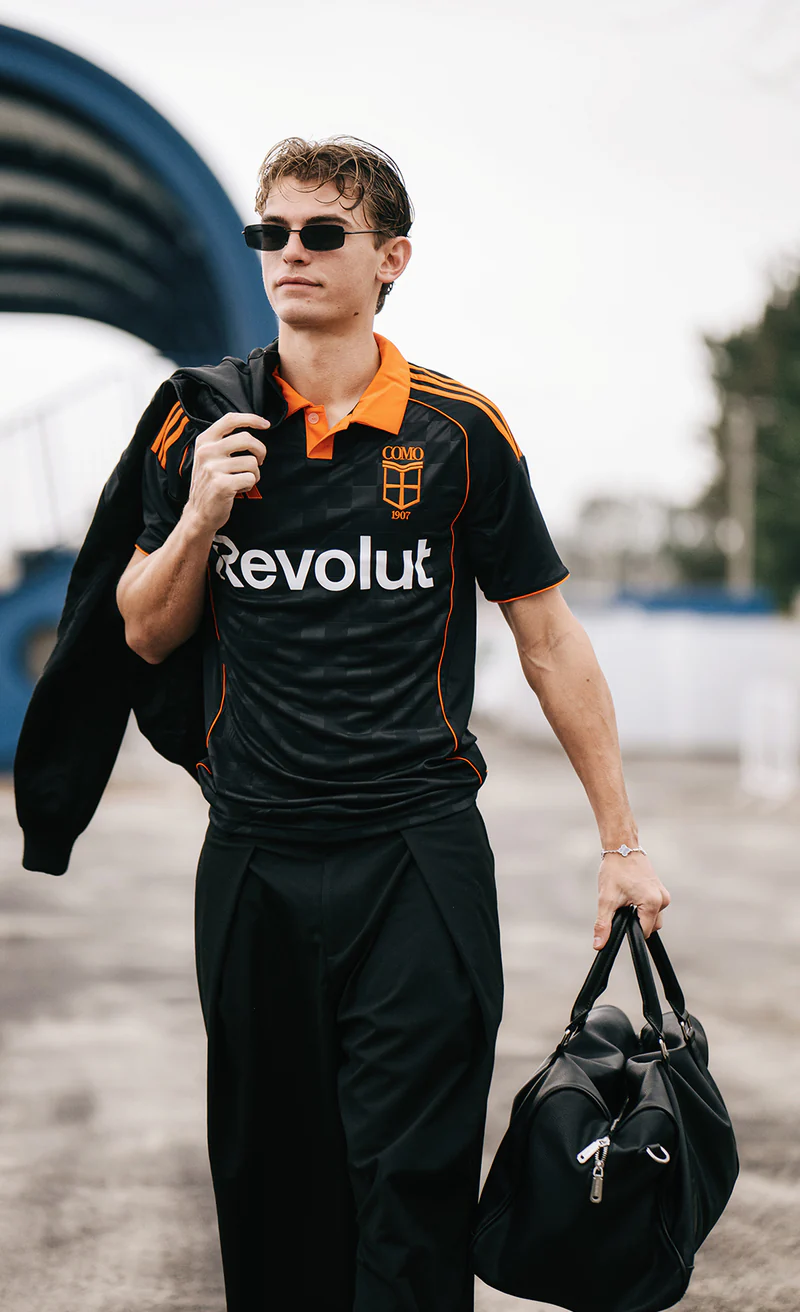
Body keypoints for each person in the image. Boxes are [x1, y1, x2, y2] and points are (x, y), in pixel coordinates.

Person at [114, 135, 671, 1312]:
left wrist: (619, 843)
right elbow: (144, 631)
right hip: (255, 855)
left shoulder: (456, 429)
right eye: (271, 233)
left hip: (415, 854)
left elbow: (548, 638)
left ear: (391, 259)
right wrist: (201, 516)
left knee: (409, 1189)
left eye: (322, 233)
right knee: (270, 1186)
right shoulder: (198, 424)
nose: (290, 253)